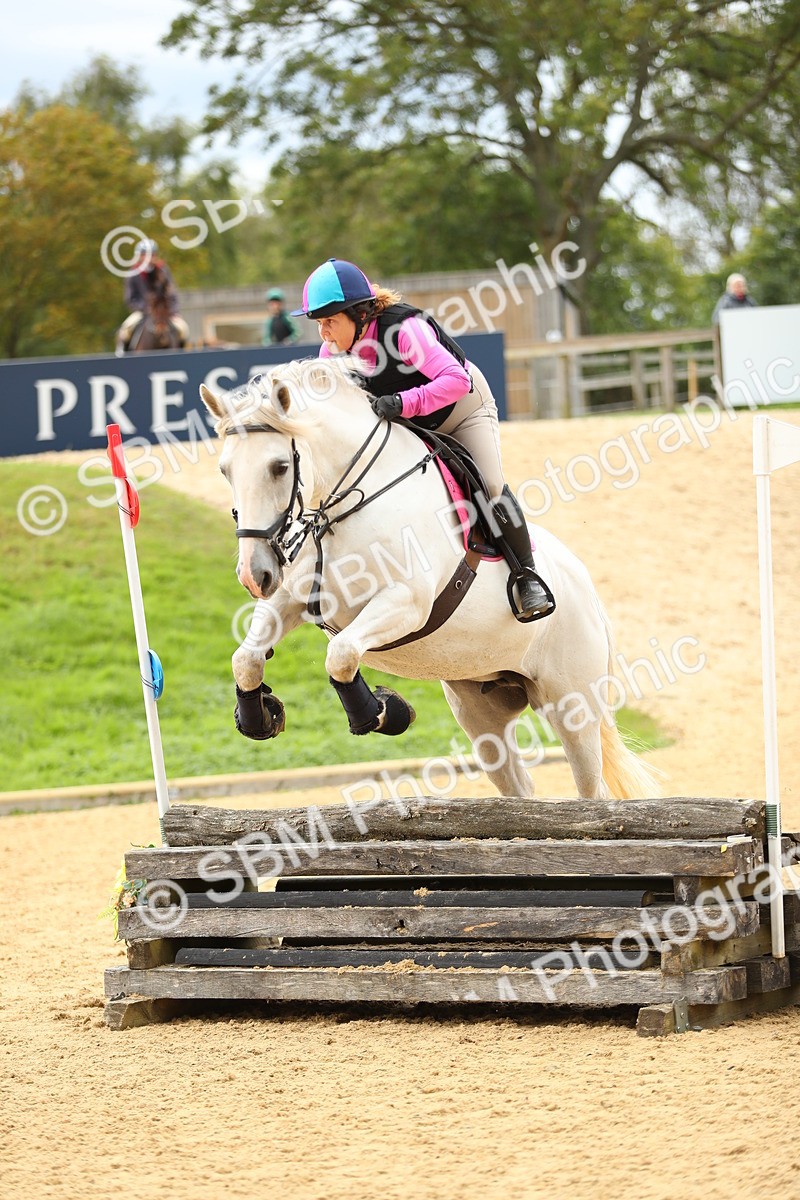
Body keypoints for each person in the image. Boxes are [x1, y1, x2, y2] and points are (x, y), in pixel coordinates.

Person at [292, 257, 552, 617]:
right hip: (411, 423)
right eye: (319, 323)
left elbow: (457, 381)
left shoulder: (404, 330)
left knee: (490, 484)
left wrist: (403, 402)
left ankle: (527, 576)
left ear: (360, 313)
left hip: (462, 411)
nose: (324, 333)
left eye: (330, 321)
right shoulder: (331, 353)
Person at [116, 239, 190, 353]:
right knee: (125, 330)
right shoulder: (133, 273)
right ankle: (122, 357)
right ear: (139, 256)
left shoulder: (163, 270)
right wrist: (146, 308)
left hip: (165, 312)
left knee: (183, 329)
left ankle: (183, 355)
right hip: (142, 312)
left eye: (151, 255)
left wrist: (173, 310)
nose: (148, 258)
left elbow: (172, 293)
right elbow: (130, 298)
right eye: (144, 255)